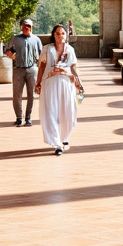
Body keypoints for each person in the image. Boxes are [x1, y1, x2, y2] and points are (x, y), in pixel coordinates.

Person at [34, 23, 84, 156]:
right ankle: (57, 143)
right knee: (51, 112)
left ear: (66, 35)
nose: (60, 36)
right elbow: (42, 67)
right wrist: (37, 83)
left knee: (67, 112)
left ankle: (64, 137)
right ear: (53, 35)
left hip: (66, 84)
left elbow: (73, 68)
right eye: (57, 33)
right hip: (50, 84)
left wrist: (79, 82)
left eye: (62, 33)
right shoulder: (46, 49)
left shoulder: (70, 50)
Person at [5, 18, 42, 126]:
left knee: (31, 94)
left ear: (32, 27)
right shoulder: (15, 39)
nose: (27, 28)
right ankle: (18, 117)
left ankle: (28, 117)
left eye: (29, 26)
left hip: (32, 69)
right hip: (18, 69)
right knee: (17, 94)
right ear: (22, 26)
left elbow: (41, 56)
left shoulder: (36, 40)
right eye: (25, 25)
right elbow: (7, 49)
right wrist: (10, 54)